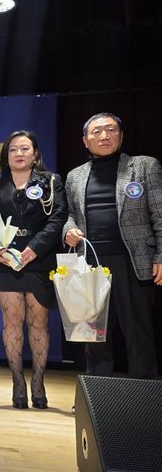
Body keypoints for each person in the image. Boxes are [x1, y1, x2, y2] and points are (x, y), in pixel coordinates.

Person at [63, 112, 161, 379]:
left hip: (134, 262)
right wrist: (68, 230)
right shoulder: (75, 176)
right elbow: (69, 214)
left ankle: (143, 395)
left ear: (121, 135)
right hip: (91, 265)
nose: (104, 136)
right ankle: (98, 395)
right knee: (93, 336)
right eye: (96, 132)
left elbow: (160, 213)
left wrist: (161, 256)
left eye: (110, 130)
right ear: (85, 141)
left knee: (139, 334)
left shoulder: (144, 166)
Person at [0, 130, 67, 409]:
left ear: (35, 154)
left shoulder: (51, 182)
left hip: (39, 260)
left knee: (38, 323)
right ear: (5, 156)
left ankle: (38, 381)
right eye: (13, 149)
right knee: (11, 322)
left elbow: (57, 219)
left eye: (24, 148)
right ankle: (18, 382)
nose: (19, 154)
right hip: (5, 261)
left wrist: (34, 249)